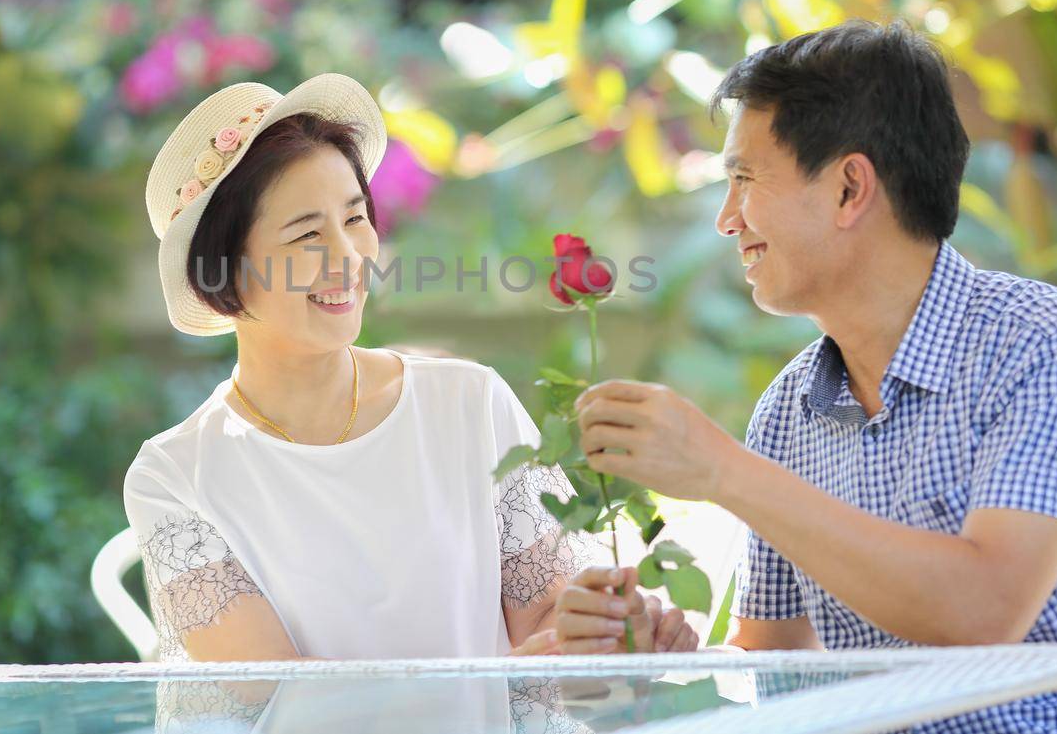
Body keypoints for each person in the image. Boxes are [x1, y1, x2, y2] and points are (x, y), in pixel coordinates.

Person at [556, 21, 1057, 731]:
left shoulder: (1048, 343)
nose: (725, 219)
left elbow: (986, 608)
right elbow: (774, 671)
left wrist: (723, 470)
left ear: (848, 188)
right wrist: (650, 666)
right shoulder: (788, 411)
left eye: (743, 178)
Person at [124, 73, 697, 663]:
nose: (349, 257)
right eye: (306, 235)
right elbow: (280, 702)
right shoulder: (176, 478)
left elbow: (546, 618)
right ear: (225, 272)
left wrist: (614, 637)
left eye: (353, 219)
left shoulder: (469, 404)